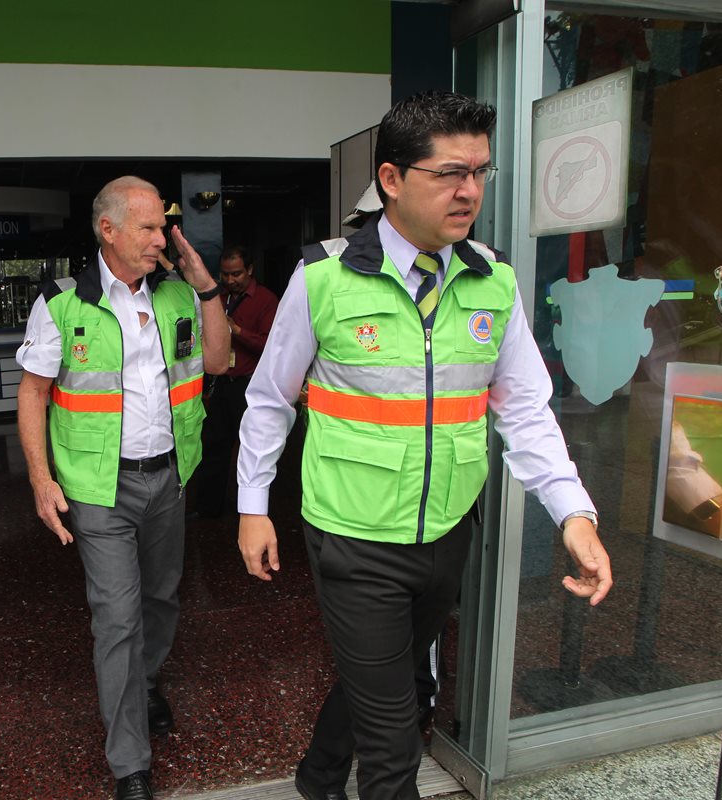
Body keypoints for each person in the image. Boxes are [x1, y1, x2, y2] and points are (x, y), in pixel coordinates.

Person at [235, 91, 613, 800]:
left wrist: (575, 515)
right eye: (448, 172)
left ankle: (316, 778)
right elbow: (268, 400)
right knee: (394, 738)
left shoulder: (493, 280)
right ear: (390, 180)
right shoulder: (325, 277)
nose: (468, 190)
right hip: (353, 537)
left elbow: (526, 409)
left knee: (389, 675)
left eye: (480, 171)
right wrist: (252, 504)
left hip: (446, 533)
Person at [15, 176, 229, 800]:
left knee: (162, 599)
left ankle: (148, 681)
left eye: (164, 226)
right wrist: (40, 478)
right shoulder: (62, 303)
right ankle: (129, 763)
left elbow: (217, 362)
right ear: (107, 230)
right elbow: (32, 392)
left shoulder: (178, 295)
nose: (163, 237)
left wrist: (205, 282)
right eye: (149, 227)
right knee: (118, 617)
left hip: (168, 476)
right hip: (98, 488)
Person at [192, 245, 278, 518]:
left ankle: (253, 514)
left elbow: (270, 346)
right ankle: (209, 509)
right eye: (225, 274)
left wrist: (236, 329)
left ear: (250, 270)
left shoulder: (266, 300)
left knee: (254, 453)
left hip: (250, 386)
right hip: (222, 384)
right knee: (214, 449)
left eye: (237, 274)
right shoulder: (218, 297)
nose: (230, 280)